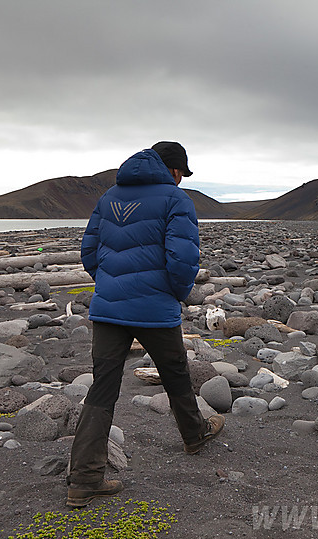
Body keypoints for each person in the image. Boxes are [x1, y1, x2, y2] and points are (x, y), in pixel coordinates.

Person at [67, 141, 225, 507]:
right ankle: (194, 435)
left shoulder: (109, 197)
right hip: (155, 308)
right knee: (175, 373)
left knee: (102, 388)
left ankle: (84, 479)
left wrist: (109, 284)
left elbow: (89, 252)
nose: (182, 180)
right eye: (182, 174)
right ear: (173, 170)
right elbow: (183, 258)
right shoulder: (175, 200)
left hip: (108, 310)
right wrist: (176, 292)